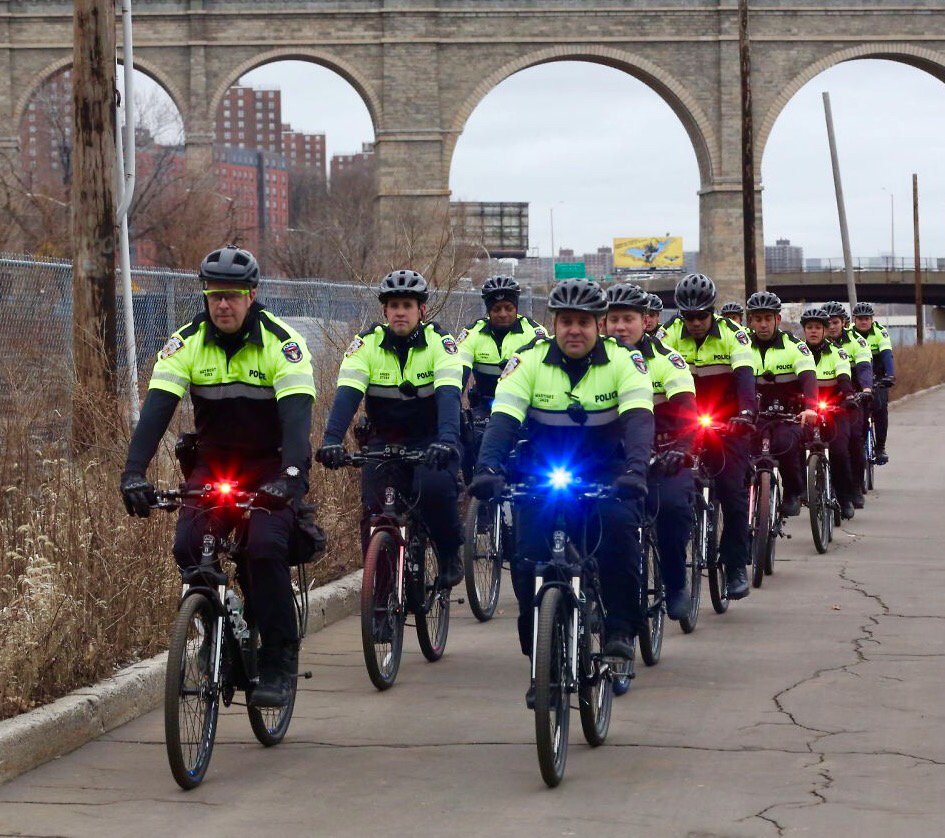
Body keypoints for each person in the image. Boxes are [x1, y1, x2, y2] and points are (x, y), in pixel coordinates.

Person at [120, 245, 317, 708]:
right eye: (214, 295)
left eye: (231, 295)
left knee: (264, 549)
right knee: (188, 545)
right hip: (214, 463)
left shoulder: (282, 343)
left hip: (270, 465)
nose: (222, 304)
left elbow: (296, 421)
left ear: (251, 295)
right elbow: (157, 410)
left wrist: (291, 475)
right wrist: (133, 472)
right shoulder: (186, 342)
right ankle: (214, 628)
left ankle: (279, 658)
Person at [469, 279, 654, 705]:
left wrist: (635, 470)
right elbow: (503, 419)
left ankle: (620, 630)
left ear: (599, 325)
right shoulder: (527, 361)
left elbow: (639, 420)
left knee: (619, 533)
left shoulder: (624, 361)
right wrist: (488, 468)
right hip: (541, 471)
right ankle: (541, 662)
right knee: (525, 563)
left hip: (606, 472)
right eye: (566, 321)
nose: (574, 330)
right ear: (554, 324)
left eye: (584, 323)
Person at [316, 270, 465, 588]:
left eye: (407, 305)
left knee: (436, 490)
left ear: (421, 310)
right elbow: (347, 395)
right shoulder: (367, 344)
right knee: (373, 513)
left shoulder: (440, 343)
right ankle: (380, 596)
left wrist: (447, 440)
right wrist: (331, 440)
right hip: (383, 440)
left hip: (431, 439)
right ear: (385, 311)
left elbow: (449, 397)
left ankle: (449, 552)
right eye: (394, 306)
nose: (400, 312)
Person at [604, 282, 696, 621]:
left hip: (664, 456)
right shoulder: (594, 359)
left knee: (672, 508)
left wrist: (683, 448)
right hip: (614, 458)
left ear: (645, 321)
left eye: (628, 319)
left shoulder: (668, 359)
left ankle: (675, 584)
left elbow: (688, 410)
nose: (620, 327)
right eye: (613, 319)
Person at [662, 273, 756, 599]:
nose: (695, 323)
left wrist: (747, 414)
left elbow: (745, 378)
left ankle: (735, 566)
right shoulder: (667, 335)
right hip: (683, 423)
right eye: (689, 317)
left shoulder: (734, 335)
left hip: (727, 422)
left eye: (701, 316)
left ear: (712, 311)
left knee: (733, 493)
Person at [457, 275, 546, 479]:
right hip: (485, 404)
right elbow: (458, 375)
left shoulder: (535, 332)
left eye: (508, 308)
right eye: (497, 309)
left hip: (523, 406)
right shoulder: (473, 333)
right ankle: (473, 484)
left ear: (516, 308)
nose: (503, 314)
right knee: (470, 438)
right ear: (488, 311)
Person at [744, 291, 819, 517]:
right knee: (740, 449)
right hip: (755, 416)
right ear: (751, 321)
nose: (763, 324)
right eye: (758, 319)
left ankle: (792, 492)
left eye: (768, 318)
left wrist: (811, 407)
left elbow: (809, 377)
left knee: (787, 444)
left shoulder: (795, 346)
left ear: (777, 319)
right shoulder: (741, 347)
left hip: (789, 417)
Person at [801, 306, 857, 519]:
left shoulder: (837, 352)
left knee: (840, 452)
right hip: (807, 411)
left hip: (835, 409)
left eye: (818, 327)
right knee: (794, 446)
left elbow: (844, 377)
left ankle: (845, 497)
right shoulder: (798, 350)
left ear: (825, 330)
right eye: (809, 327)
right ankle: (800, 489)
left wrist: (849, 396)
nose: (813, 331)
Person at [824, 300, 873, 507]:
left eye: (835, 322)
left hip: (853, 398)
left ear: (843, 322)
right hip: (825, 399)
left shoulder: (856, 342)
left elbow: (864, 368)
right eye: (828, 323)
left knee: (854, 440)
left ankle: (855, 487)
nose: (831, 327)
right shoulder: (813, 344)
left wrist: (866, 389)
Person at [852, 302, 894, 465]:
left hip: (878, 376)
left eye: (867, 319)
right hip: (858, 377)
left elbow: (887, 355)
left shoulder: (880, 333)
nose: (863, 322)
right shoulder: (849, 334)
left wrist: (890, 376)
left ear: (872, 320)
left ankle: (880, 447)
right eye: (860, 319)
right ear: (854, 320)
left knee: (881, 408)